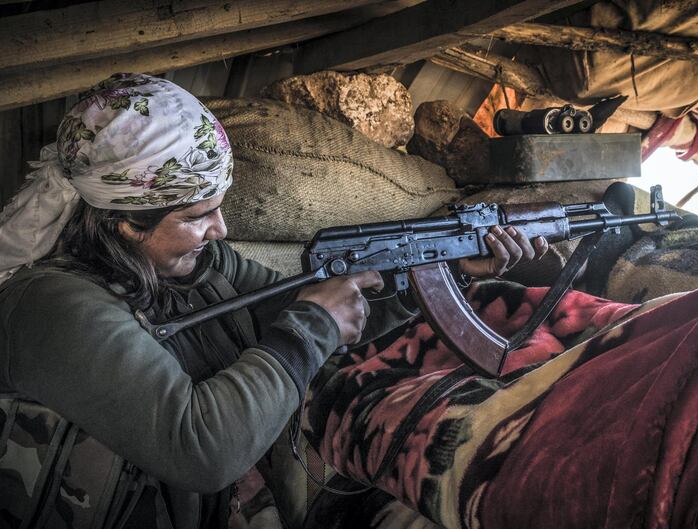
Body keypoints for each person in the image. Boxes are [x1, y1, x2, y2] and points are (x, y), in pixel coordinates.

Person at [0, 73, 548, 528]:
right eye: (195, 217)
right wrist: (313, 324)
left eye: (218, 207)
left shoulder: (202, 268)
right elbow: (201, 448)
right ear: (123, 222)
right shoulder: (52, 307)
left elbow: (314, 323)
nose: (221, 229)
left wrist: (433, 272)